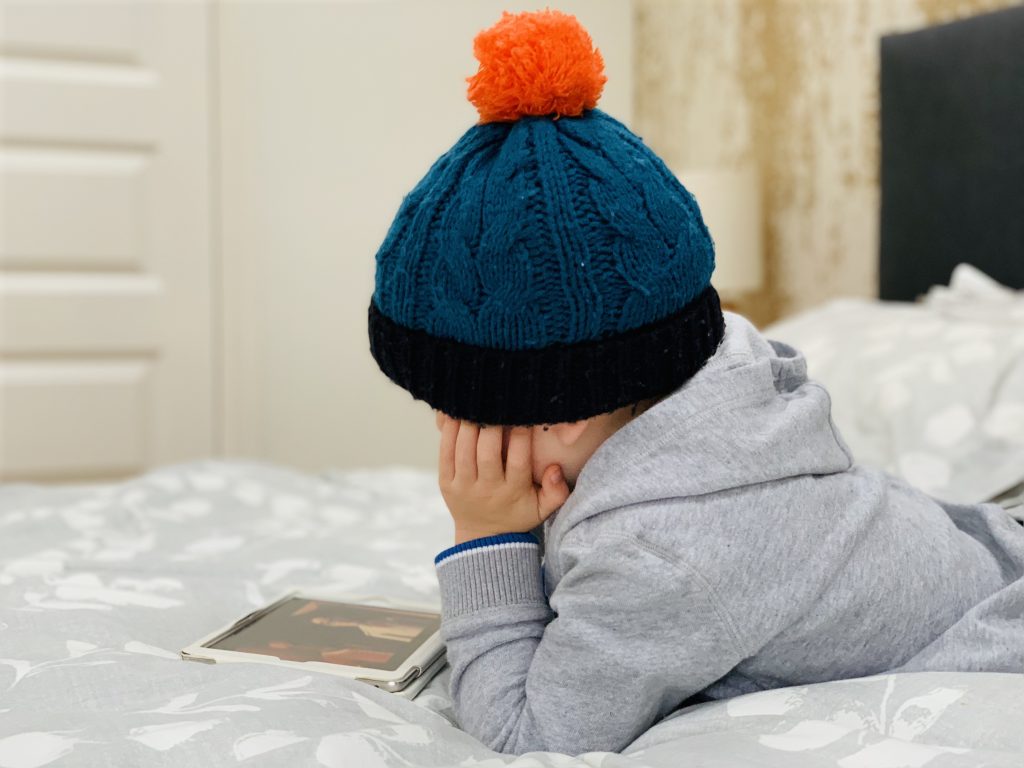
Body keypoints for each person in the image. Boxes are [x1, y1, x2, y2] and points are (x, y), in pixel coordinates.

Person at [366, 9, 1024, 756]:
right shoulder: (722, 380)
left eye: (457, 412)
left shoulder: (663, 553)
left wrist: (486, 537)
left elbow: (528, 736)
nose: (446, 434)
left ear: (561, 415)